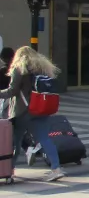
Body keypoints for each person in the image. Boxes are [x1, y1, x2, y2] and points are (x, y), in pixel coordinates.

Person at [0, 47, 65, 181]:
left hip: (23, 111)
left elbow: (12, 91)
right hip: (41, 107)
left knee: (15, 142)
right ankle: (56, 168)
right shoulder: (43, 68)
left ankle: (9, 171)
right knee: (45, 139)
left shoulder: (20, 68)